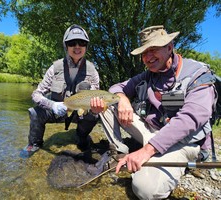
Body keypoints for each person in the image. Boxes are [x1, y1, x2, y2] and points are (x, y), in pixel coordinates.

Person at [90, 25, 216, 199]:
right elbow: (115, 88)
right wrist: (123, 98)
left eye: (153, 50)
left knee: (144, 189)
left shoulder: (197, 74)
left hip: (183, 142)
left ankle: (163, 163)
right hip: (151, 132)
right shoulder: (148, 75)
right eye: (144, 52)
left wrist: (147, 150)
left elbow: (192, 118)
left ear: (170, 47)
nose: (148, 57)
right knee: (109, 103)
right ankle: (120, 153)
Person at [21, 24, 100, 158]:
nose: (77, 46)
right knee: (35, 113)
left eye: (81, 42)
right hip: (58, 111)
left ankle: (81, 137)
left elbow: (95, 96)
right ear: (66, 46)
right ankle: (34, 143)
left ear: (86, 46)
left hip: (78, 113)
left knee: (93, 115)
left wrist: (95, 108)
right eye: (71, 43)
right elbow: (36, 94)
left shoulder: (92, 71)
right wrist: (53, 105)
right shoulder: (54, 68)